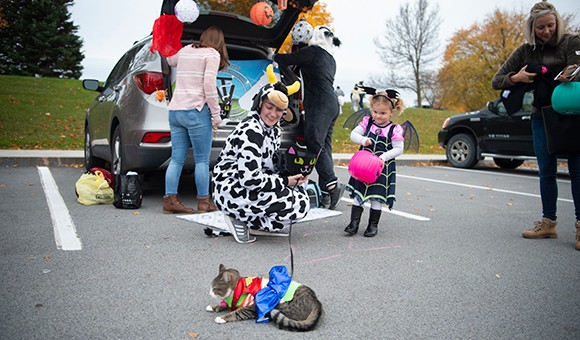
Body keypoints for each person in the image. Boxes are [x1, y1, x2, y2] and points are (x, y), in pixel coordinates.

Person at [491, 2, 580, 250]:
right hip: (542, 115)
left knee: (577, 170)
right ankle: (548, 222)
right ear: (532, 27)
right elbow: (496, 81)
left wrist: (571, 75)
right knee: (546, 171)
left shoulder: (572, 42)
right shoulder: (525, 51)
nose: (546, 31)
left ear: (557, 23)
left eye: (550, 25)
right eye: (540, 27)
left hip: (573, 112)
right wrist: (516, 77)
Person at [212, 65, 310, 244]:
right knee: (298, 203)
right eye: (269, 107)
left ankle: (254, 222)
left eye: (279, 110)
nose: (273, 114)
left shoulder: (272, 130)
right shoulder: (252, 130)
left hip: (249, 185)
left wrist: (292, 175)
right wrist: (285, 182)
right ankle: (237, 217)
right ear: (259, 104)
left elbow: (268, 167)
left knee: (301, 190)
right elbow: (249, 179)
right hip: (231, 189)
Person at [273, 26, 346, 210]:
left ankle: (331, 184)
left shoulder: (313, 52)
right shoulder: (331, 58)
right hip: (332, 105)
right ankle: (326, 192)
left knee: (314, 143)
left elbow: (283, 59)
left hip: (320, 105)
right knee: (324, 147)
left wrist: (272, 54)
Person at [163, 26, 229, 214]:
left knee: (176, 159)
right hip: (195, 111)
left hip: (175, 111)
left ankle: (170, 201)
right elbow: (209, 84)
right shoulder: (212, 54)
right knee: (201, 160)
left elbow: (170, 59)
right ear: (220, 43)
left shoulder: (185, 50)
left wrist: (170, 38)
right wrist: (216, 114)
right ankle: (204, 203)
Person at [344, 90, 405, 237]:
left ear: (391, 112)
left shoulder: (394, 129)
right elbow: (354, 134)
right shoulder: (368, 123)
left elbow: (398, 149)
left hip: (381, 168)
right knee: (359, 195)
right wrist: (363, 140)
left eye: (383, 113)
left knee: (376, 197)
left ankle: (373, 225)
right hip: (363, 166)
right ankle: (354, 223)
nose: (378, 116)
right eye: (375, 111)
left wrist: (383, 157)